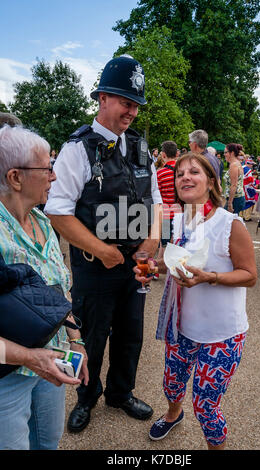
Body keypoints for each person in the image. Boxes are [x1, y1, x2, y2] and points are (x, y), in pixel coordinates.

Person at [45, 55, 162, 433]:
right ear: (103, 98)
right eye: (126, 101)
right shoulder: (77, 148)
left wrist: (153, 239)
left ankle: (120, 393)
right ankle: (85, 397)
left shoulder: (141, 147)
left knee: (131, 335)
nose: (132, 111)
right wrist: (103, 250)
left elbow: (156, 201)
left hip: (136, 264)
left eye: (136, 104)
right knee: (92, 337)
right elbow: (58, 212)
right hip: (95, 266)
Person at [134, 152, 257, 450]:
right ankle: (173, 415)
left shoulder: (231, 224)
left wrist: (210, 277)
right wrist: (153, 268)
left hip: (222, 334)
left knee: (205, 407)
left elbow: (250, 275)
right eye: (180, 174)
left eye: (194, 172)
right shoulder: (179, 220)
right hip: (182, 326)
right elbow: (173, 261)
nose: (184, 177)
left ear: (211, 181)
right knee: (171, 384)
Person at [0, 125, 88, 450]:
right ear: (15, 178)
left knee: (48, 442)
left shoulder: (42, 222)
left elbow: (59, 291)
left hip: (53, 359)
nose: (54, 176)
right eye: (47, 167)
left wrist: (77, 343)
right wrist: (28, 357)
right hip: (8, 375)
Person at [156, 141, 180, 266]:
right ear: (177, 153)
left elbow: (156, 196)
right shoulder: (182, 172)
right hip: (180, 214)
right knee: (177, 242)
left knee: (164, 242)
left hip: (165, 214)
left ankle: (157, 270)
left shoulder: (159, 173)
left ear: (163, 155)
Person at [223, 143, 245, 214]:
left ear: (232, 153)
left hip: (235, 199)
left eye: (226, 152)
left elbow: (234, 185)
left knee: (228, 222)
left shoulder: (234, 165)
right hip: (236, 198)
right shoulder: (237, 163)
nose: (224, 154)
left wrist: (230, 203)